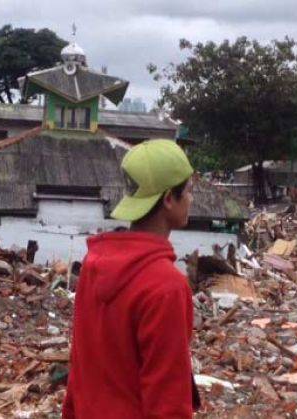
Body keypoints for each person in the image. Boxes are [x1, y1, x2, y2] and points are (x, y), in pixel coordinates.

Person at [63, 139, 200, 418]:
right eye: (188, 190)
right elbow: (168, 401)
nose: (192, 199)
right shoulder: (166, 287)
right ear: (168, 200)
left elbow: (81, 365)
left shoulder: (94, 265)